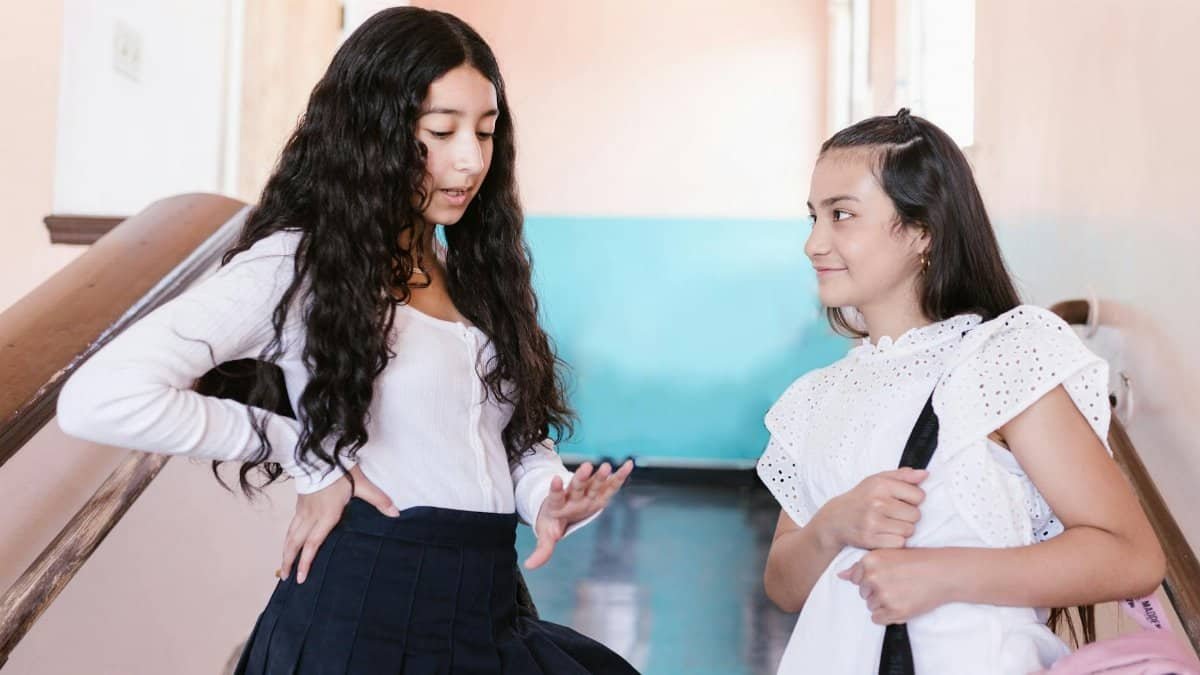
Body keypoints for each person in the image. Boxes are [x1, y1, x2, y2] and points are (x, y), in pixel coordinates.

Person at [57, 8, 637, 674]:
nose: (471, 159)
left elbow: (498, 433)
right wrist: (306, 455)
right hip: (368, 606)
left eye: (486, 129)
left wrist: (546, 498)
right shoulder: (296, 266)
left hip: (485, 596)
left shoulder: (472, 273)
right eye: (442, 131)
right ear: (375, 132)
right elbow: (99, 397)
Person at [757, 109, 1165, 673]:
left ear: (922, 230)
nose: (814, 244)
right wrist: (834, 524)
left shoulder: (1004, 358)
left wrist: (941, 573)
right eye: (813, 217)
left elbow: (1131, 555)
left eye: (842, 215)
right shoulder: (814, 397)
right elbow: (784, 585)